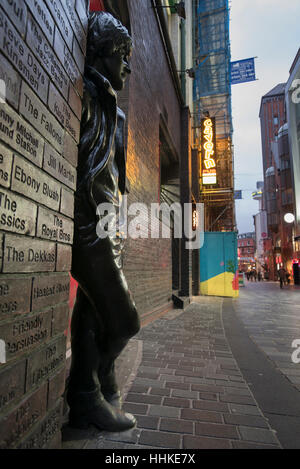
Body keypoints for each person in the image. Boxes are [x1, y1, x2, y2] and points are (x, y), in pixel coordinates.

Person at [66, 12, 140, 432]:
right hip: (86, 224)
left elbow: (119, 181)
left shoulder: (121, 117)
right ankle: (92, 388)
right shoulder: (84, 95)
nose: (127, 65)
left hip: (110, 227)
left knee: (91, 312)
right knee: (124, 319)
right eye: (122, 55)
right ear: (101, 51)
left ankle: (87, 399)